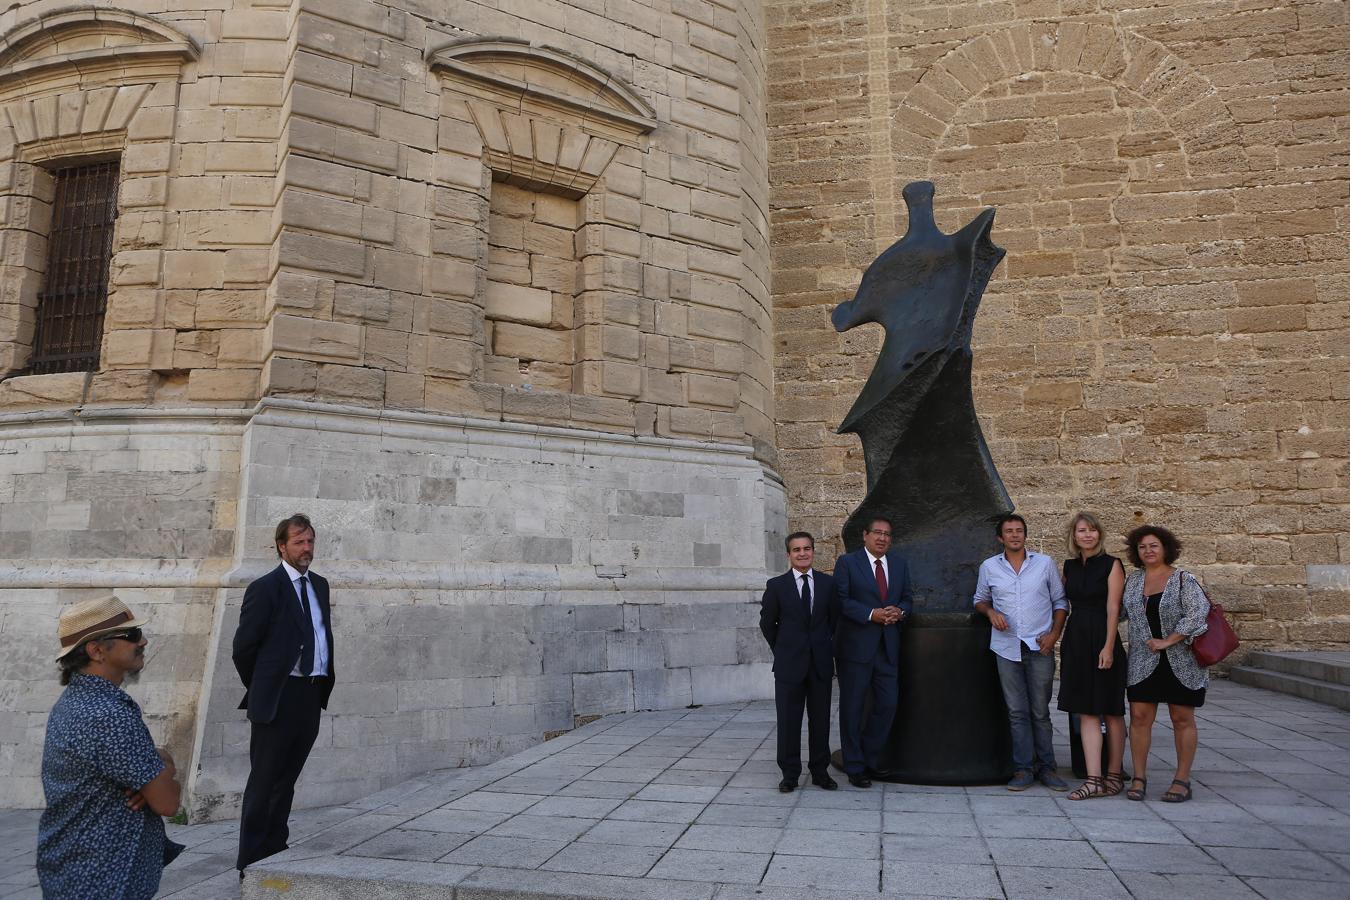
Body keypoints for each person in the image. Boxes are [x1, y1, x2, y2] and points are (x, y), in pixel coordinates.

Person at [38, 595, 183, 900]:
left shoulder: (73, 703)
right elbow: (168, 802)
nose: (142, 641)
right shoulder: (109, 715)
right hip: (105, 877)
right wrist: (164, 770)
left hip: (74, 870)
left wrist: (151, 774)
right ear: (96, 650)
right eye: (130, 635)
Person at [234, 513, 336, 874]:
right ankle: (250, 861)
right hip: (278, 697)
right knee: (264, 782)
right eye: (299, 542)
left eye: (310, 541)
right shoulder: (265, 588)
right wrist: (264, 687)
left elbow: (320, 633)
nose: (306, 548)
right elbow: (244, 649)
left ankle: (275, 849)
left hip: (310, 695)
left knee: (287, 780)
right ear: (282, 546)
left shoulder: (320, 585)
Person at [974, 513, 1070, 791]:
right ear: (1000, 538)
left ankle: (1048, 768)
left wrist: (1054, 636)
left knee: (1040, 711)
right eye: (1009, 531)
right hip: (1006, 648)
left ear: (1025, 535)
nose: (1015, 535)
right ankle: (1023, 769)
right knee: (1016, 712)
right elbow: (979, 600)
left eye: (1019, 531)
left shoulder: (1044, 564)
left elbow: (1060, 602)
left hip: (1039, 647)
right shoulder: (989, 566)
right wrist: (990, 612)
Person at [1122, 524, 1210, 803]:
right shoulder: (1133, 581)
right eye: (1142, 547)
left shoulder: (1183, 579)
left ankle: (1182, 779)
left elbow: (1198, 615)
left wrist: (1168, 640)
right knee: (1139, 718)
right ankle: (1139, 777)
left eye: (1153, 546)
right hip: (1143, 661)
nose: (1148, 551)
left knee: (1181, 718)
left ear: (1166, 549)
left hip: (1180, 661)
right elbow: (1120, 612)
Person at [833, 515, 913, 788]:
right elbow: (841, 601)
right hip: (856, 649)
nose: (882, 538)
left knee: (887, 705)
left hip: (888, 648)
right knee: (853, 709)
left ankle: (869, 757)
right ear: (865, 536)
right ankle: (855, 766)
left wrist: (899, 611)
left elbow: (908, 598)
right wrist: (871, 614)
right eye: (877, 533)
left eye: (887, 534)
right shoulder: (847, 563)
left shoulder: (900, 565)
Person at [760, 531, 839, 792]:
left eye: (807, 548)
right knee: (789, 721)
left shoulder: (828, 585)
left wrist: (826, 649)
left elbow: (835, 623)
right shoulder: (777, 586)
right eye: (797, 550)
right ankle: (790, 774)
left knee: (820, 721)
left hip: (820, 665)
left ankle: (820, 771)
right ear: (789, 555)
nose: (802, 553)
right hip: (788, 666)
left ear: (813, 551)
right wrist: (783, 650)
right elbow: (767, 624)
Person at [1056, 512, 1127, 800]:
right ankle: (1093, 779)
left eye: (1092, 530)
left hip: (1102, 636)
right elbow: (1060, 601)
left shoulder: (1113, 565)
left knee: (1111, 709)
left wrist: (1108, 647)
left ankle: (1114, 775)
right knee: (1085, 709)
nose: (1087, 535)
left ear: (1100, 534)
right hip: (1076, 638)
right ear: (1074, 536)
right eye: (1081, 530)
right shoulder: (1069, 567)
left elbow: (1113, 609)